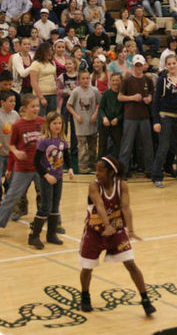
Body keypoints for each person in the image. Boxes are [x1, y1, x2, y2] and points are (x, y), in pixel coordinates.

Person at [78, 156, 156, 316]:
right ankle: (85, 295)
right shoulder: (94, 186)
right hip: (94, 232)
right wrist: (106, 225)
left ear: (111, 172)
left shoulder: (122, 186)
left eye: (101, 170)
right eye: (96, 170)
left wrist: (131, 230)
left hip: (116, 231)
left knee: (131, 264)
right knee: (87, 268)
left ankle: (145, 299)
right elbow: (99, 205)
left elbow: (126, 208)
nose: (97, 173)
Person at [0, 94, 44, 229]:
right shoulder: (18, 125)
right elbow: (12, 144)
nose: (36, 108)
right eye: (33, 106)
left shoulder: (43, 122)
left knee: (47, 195)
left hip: (40, 167)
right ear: (25, 108)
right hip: (23, 168)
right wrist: (17, 152)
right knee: (12, 196)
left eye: (37, 106)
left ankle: (54, 222)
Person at [31, 112, 74, 249]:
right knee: (46, 206)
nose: (58, 126)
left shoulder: (62, 141)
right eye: (54, 123)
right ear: (48, 124)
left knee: (55, 206)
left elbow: (66, 156)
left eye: (60, 123)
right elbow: (36, 162)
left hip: (58, 177)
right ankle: (33, 236)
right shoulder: (44, 141)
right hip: (46, 178)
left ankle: (51, 235)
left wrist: (71, 168)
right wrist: (46, 175)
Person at [151, 54, 177, 187]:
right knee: (164, 147)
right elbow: (156, 102)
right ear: (166, 66)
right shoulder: (162, 80)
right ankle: (157, 176)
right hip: (165, 116)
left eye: (174, 63)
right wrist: (156, 121)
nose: (172, 66)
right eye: (169, 64)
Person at [118, 55, 154, 176]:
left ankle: (149, 169)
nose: (138, 67)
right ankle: (124, 170)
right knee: (127, 145)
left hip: (144, 116)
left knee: (147, 144)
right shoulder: (127, 80)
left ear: (144, 66)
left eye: (140, 65)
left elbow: (151, 94)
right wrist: (132, 98)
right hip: (130, 117)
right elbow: (120, 97)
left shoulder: (148, 80)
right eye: (136, 65)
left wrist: (149, 98)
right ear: (133, 66)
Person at [67, 71, 100, 173]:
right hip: (81, 124)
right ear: (79, 80)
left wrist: (95, 114)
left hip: (92, 122)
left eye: (87, 78)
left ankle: (93, 165)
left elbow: (99, 104)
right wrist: (76, 116)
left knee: (93, 146)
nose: (85, 80)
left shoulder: (94, 90)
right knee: (82, 147)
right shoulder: (76, 91)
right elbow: (68, 105)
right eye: (83, 78)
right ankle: (83, 167)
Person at [98, 72, 122, 159]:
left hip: (117, 124)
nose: (115, 82)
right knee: (102, 145)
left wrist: (117, 119)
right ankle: (101, 164)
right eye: (113, 80)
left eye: (117, 80)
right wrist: (104, 118)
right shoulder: (106, 94)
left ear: (121, 81)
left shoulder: (122, 94)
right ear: (110, 82)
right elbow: (101, 108)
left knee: (118, 146)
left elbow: (124, 111)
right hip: (105, 123)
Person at [30, 43, 58, 116]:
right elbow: (33, 82)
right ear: (42, 52)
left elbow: (55, 79)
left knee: (52, 118)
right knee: (40, 119)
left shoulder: (53, 63)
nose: (50, 53)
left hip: (53, 94)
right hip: (41, 95)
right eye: (48, 51)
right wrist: (41, 97)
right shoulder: (35, 64)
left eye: (51, 51)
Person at [0, 91, 18, 200]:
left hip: (11, 153)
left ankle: (8, 201)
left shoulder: (15, 115)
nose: (13, 103)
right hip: (0, 153)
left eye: (14, 101)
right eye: (10, 101)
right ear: (2, 102)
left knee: (10, 180)